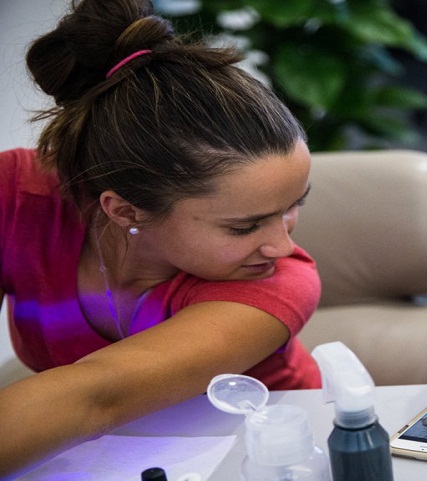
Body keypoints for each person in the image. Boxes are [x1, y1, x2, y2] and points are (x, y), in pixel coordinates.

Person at [0, 0, 321, 475]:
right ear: (125, 210)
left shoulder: (279, 280)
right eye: (244, 226)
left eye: (293, 206)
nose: (281, 246)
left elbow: (96, 398)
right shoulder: (16, 195)